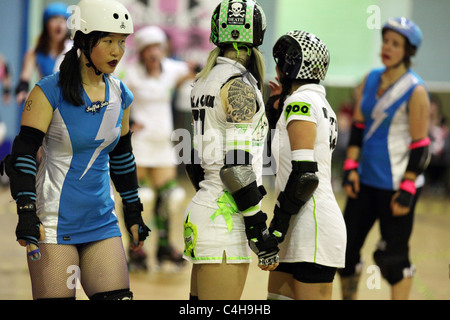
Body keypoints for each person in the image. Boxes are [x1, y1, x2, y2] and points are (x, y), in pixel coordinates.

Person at [0, 0, 150, 300]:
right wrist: (27, 211)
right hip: (54, 224)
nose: (117, 51)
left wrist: (133, 211)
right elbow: (23, 155)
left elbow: (121, 156)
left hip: (101, 221)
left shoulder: (121, 94)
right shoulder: (48, 91)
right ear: (83, 40)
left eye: (121, 42)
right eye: (107, 41)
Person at [183, 0, 279, 300]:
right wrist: (258, 230)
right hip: (226, 222)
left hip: (205, 210)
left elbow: (194, 162)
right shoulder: (239, 87)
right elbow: (237, 169)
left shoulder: (203, 81)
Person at [338, 17, 430, 300]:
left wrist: (408, 188)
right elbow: (359, 127)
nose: (387, 47)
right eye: (385, 41)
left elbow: (421, 145)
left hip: (397, 184)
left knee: (393, 258)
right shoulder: (371, 78)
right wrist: (351, 166)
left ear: (408, 51)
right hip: (364, 180)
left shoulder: (415, 90)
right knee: (346, 249)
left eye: (396, 44)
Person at [265, 30, 346, 300]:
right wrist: (275, 112)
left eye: (279, 64)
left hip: (312, 227)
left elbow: (305, 176)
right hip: (297, 222)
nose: (276, 71)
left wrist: (276, 227)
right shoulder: (317, 103)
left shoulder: (301, 102)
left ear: (288, 68)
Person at [118, 25, 193, 271]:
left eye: (157, 47)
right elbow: (110, 94)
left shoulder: (171, 69)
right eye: (148, 48)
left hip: (162, 144)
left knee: (170, 197)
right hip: (139, 144)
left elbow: (194, 70)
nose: (153, 53)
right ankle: (136, 249)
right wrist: (125, 124)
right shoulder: (131, 73)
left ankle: (163, 248)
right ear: (141, 52)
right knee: (140, 198)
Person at [15, 2, 72, 105]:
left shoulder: (73, 50)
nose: (59, 23)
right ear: (46, 24)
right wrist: (22, 93)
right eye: (55, 19)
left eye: (63, 20)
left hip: (69, 103)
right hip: (47, 103)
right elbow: (24, 81)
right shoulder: (35, 52)